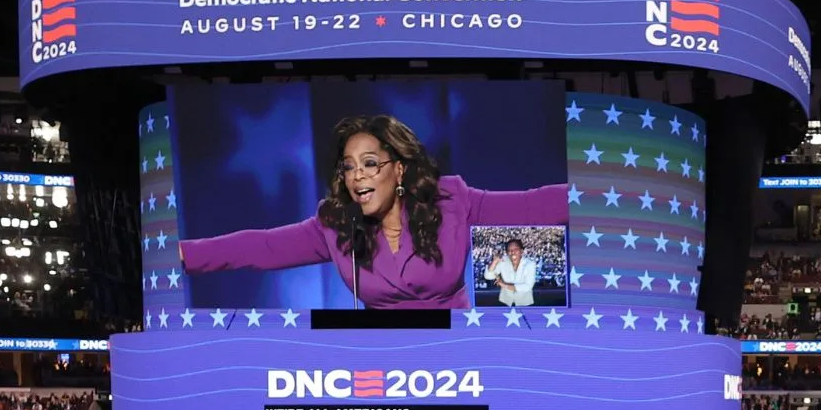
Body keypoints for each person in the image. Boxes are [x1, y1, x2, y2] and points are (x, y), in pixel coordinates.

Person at [179, 114, 567, 309]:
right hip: (383, 367)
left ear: (398, 169)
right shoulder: (336, 223)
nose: (357, 176)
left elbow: (535, 204)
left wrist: (608, 193)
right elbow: (259, 247)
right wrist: (179, 255)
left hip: (459, 359)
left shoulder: (450, 200)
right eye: (348, 166)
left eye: (369, 163)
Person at [484, 239, 537, 307]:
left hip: (524, 302)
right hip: (505, 302)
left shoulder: (530, 264)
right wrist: (495, 261)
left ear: (521, 251)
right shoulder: (503, 261)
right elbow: (488, 276)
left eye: (516, 249)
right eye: (509, 250)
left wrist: (504, 285)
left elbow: (527, 286)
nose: (512, 252)